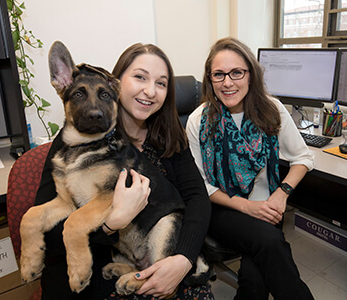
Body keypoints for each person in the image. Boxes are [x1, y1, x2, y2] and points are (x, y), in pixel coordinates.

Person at [34, 43, 213, 300]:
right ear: (117, 82)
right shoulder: (80, 138)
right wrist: (110, 224)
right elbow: (50, 238)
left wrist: (183, 260)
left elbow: (197, 199)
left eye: (161, 83)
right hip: (95, 269)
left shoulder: (170, 134)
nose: (150, 91)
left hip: (166, 252)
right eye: (140, 77)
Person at [186, 37, 315, 300]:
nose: (228, 82)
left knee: (255, 282)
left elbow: (303, 157)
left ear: (250, 75)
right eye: (218, 75)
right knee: (270, 242)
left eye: (236, 72)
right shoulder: (198, 120)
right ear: (210, 79)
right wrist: (247, 207)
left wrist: (281, 194)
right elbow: (202, 186)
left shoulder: (272, 109)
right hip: (222, 208)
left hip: (267, 206)